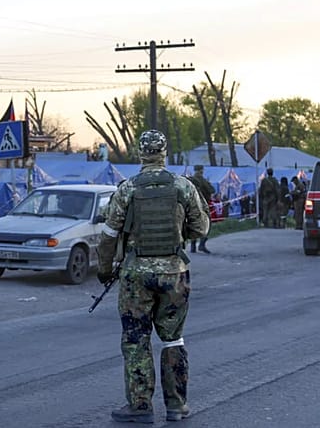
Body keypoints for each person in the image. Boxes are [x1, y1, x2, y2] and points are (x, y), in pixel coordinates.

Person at [96, 130, 209, 423]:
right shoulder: (184, 187)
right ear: (165, 152)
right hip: (175, 274)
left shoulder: (127, 189)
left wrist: (105, 269)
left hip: (136, 275)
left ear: (140, 153)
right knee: (173, 340)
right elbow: (201, 229)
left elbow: (108, 235)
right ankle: (177, 406)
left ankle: (140, 406)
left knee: (136, 339)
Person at [187, 164, 214, 253]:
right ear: (201, 170)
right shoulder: (201, 180)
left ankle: (193, 246)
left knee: (194, 224)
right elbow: (211, 190)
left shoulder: (190, 180)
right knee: (207, 224)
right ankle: (202, 245)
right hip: (202, 205)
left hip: (192, 205)